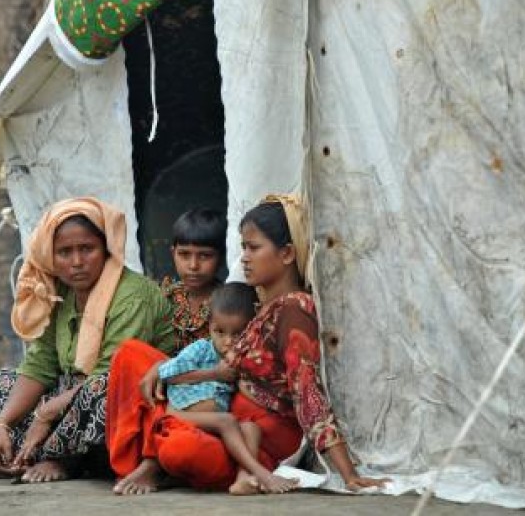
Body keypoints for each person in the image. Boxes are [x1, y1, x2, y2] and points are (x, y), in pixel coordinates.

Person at [107, 194, 388, 495]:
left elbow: (308, 393)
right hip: (217, 414)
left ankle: (159, 456)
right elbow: (215, 362)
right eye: (243, 248)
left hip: (254, 440)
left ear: (287, 253)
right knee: (131, 354)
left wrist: (349, 475)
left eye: (253, 248)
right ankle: (157, 454)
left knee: (180, 449)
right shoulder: (259, 305)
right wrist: (162, 368)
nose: (244, 258)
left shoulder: (294, 308)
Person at [0, 196, 176, 483]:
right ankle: (16, 455)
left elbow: (112, 374)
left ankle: (61, 459)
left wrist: (46, 414)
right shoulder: (59, 292)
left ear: (106, 249)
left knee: (99, 388)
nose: (76, 262)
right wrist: (2, 424)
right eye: (65, 252)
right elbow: (40, 364)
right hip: (74, 393)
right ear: (51, 256)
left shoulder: (132, 295)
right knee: (4, 382)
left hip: (137, 400)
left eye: (87, 249)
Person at [152, 282, 297, 494]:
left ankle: (243, 479)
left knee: (250, 427)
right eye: (219, 332)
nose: (227, 341)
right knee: (228, 421)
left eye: (237, 334)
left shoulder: (245, 358)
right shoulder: (201, 349)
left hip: (211, 422)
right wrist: (214, 374)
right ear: (209, 325)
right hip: (180, 414)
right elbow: (168, 374)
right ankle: (261, 473)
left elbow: (249, 390)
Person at [161, 207, 226, 350]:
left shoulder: (228, 303)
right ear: (173, 254)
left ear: (221, 258)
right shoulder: (165, 297)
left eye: (205, 256)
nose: (193, 265)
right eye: (184, 254)